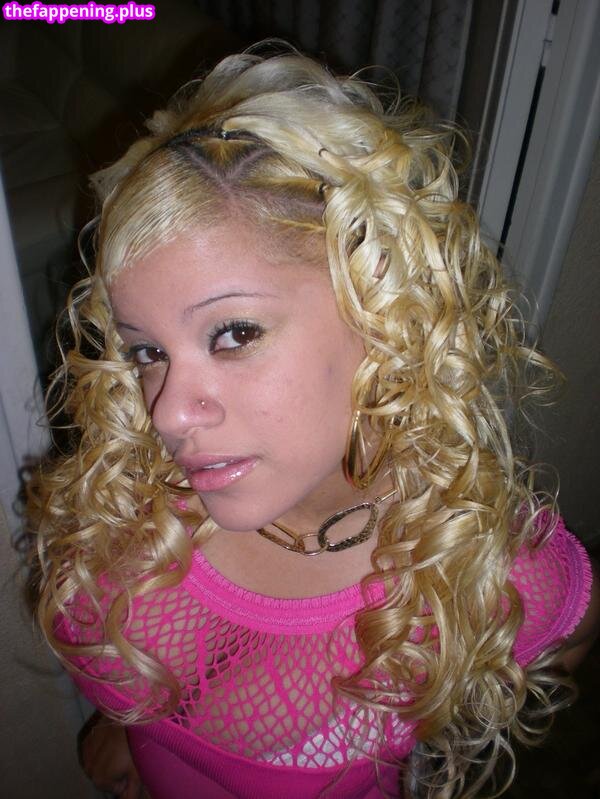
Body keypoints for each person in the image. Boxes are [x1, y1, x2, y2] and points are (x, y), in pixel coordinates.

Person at [28, 46, 598, 799]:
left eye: (234, 334)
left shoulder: (477, 571)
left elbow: (564, 643)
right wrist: (121, 726)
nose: (167, 412)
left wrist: (433, 713)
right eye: (146, 351)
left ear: (380, 311)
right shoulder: (131, 498)